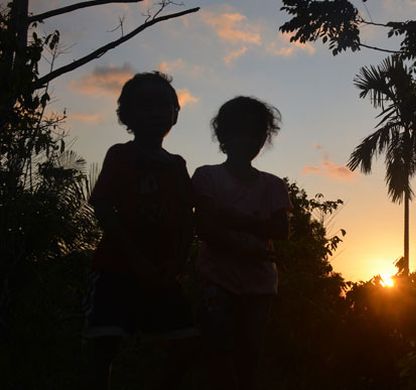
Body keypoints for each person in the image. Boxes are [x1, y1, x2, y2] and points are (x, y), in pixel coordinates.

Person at [84, 71, 197, 390]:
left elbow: (188, 219)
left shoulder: (177, 165)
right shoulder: (120, 155)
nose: (157, 111)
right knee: (103, 347)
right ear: (126, 114)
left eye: (164, 104)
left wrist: (178, 263)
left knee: (184, 345)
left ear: (176, 112)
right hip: (115, 269)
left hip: (164, 272)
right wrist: (137, 260)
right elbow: (104, 208)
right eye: (146, 105)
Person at [192, 96, 291, 390]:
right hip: (216, 280)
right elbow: (206, 227)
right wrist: (252, 241)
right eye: (242, 132)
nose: (251, 140)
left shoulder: (274, 185)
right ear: (224, 135)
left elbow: (282, 230)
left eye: (257, 134)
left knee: (249, 356)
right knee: (218, 351)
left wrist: (231, 218)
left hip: (260, 285)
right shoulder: (207, 176)